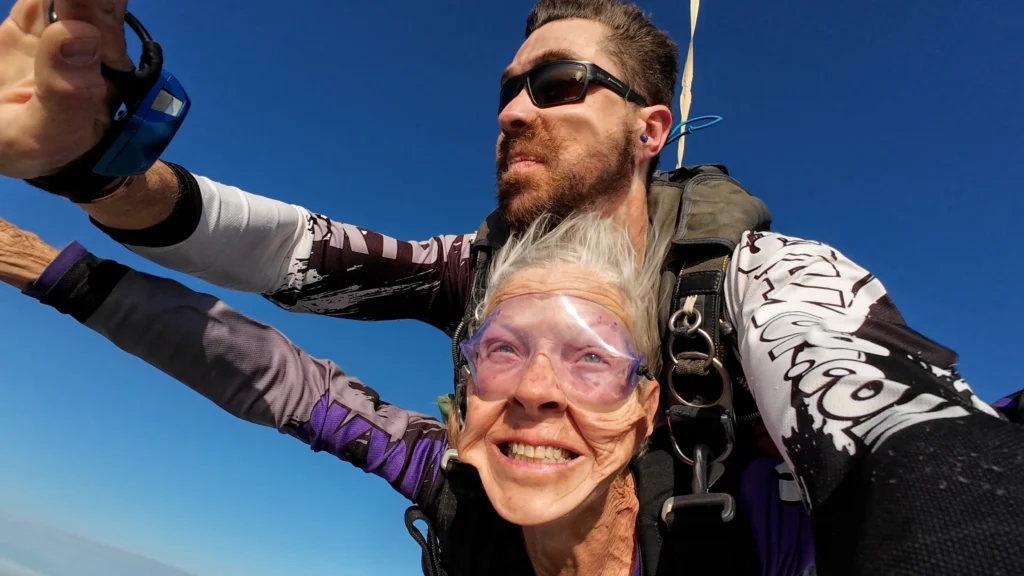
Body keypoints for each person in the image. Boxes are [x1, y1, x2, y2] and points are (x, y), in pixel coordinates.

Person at [1, 0, 1022, 573]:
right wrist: (97, 165)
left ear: (651, 127)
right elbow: (291, 279)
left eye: (559, 83)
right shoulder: (474, 283)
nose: (514, 110)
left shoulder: (758, 281)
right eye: (505, 90)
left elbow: (893, 426)